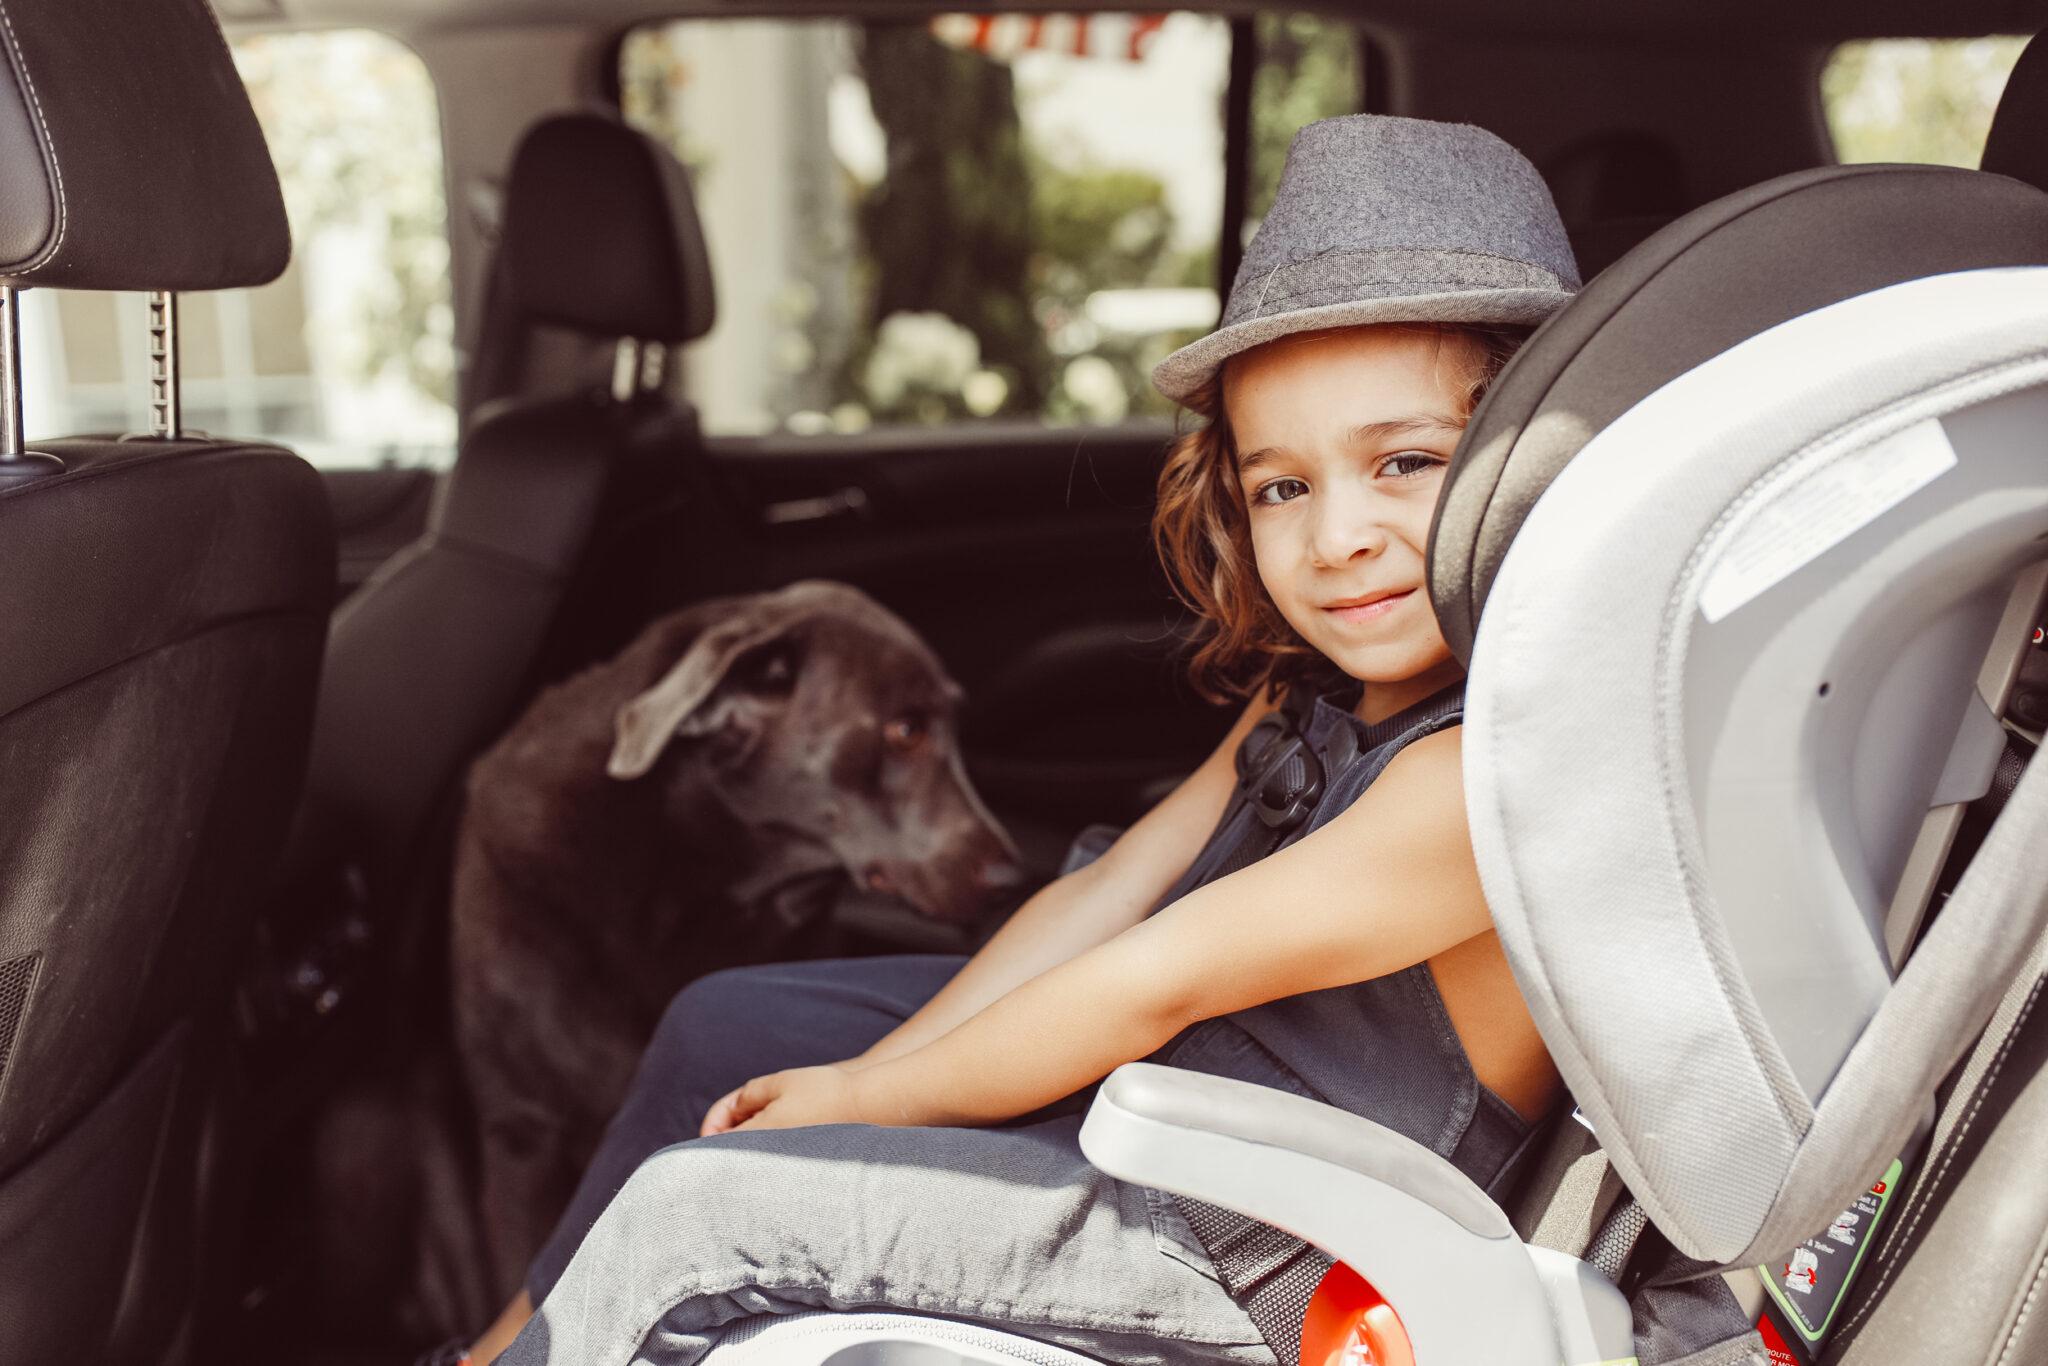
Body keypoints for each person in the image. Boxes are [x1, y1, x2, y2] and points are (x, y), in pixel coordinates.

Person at [451, 113, 1584, 1366]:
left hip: (1263, 1238)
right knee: (728, 1030)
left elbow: (1161, 976)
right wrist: (852, 1089)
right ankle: (503, 1343)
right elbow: (1118, 890)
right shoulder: (1305, 691)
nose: (1336, 536)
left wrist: (870, 1104)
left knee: (699, 1213)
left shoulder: (1478, 780)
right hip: (1167, 1104)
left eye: (1407, 462)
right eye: (1282, 486)